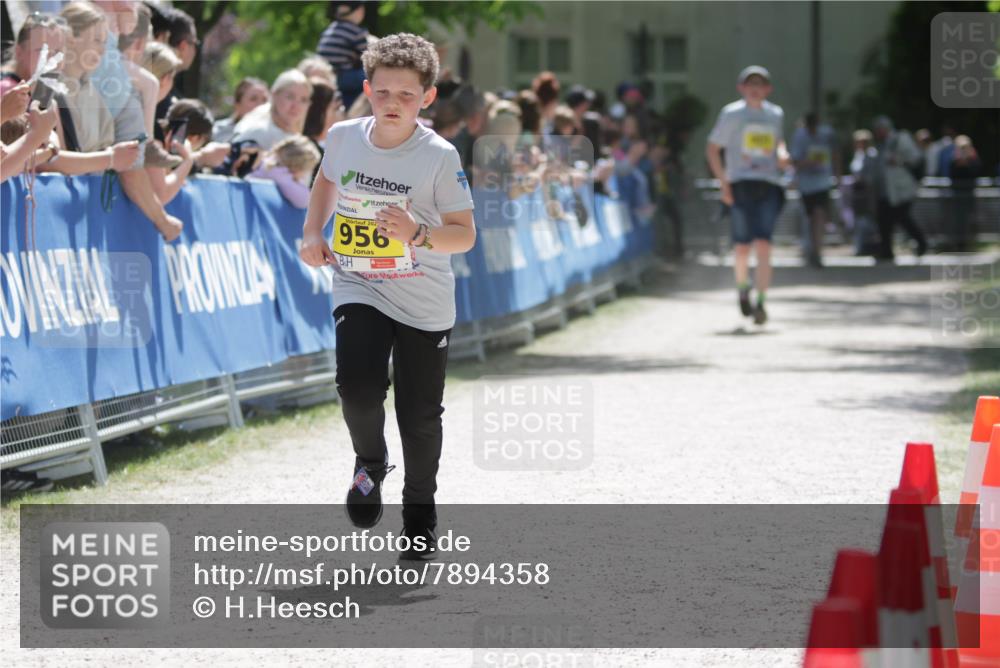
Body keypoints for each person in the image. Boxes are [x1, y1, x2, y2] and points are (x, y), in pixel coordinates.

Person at [298, 32, 475, 561]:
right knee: (357, 386)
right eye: (383, 93)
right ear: (367, 89)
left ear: (427, 98)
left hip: (423, 297)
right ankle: (369, 462)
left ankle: (420, 514)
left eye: (406, 95)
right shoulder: (344, 136)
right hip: (360, 282)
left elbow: (463, 234)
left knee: (419, 416)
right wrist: (313, 232)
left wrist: (416, 234)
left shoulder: (439, 156)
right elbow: (327, 181)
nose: (392, 104)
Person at [706, 65, 787, 324]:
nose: (755, 88)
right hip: (740, 184)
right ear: (741, 88)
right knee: (742, 247)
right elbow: (712, 148)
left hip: (768, 184)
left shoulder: (775, 114)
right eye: (750, 84)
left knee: (764, 244)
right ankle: (743, 289)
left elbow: (777, 142)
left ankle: (761, 301)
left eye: (760, 84)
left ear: (768, 89)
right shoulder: (731, 114)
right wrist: (723, 183)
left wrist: (783, 154)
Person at [871, 115, 927, 261]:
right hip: (886, 190)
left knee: (902, 217)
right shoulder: (880, 144)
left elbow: (916, 158)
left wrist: (899, 160)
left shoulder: (901, 138)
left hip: (902, 189)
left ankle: (922, 243)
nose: (876, 133)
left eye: (878, 130)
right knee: (883, 220)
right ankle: (886, 251)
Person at [790, 112, 840, 267]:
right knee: (810, 218)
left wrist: (837, 174)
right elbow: (795, 161)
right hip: (806, 184)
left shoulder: (827, 134)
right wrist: (810, 162)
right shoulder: (799, 136)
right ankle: (811, 248)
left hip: (822, 183)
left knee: (819, 215)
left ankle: (817, 251)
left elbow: (836, 153)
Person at [147, 98, 213, 205]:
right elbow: (161, 195)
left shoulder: (155, 146)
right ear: (195, 138)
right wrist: (188, 161)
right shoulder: (154, 148)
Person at [231, 69, 312, 151]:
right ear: (275, 95)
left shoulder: (299, 139)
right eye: (290, 97)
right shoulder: (257, 134)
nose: (296, 106)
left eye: (303, 100)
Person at [316, 1, 369, 110]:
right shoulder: (356, 31)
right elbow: (369, 56)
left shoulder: (330, 29)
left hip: (327, 73)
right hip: (342, 75)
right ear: (360, 11)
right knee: (373, 76)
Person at [249, 135, 321, 209]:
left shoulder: (267, 163)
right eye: (309, 169)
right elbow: (305, 200)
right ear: (297, 168)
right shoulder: (278, 174)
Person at [848, 129, 879, 256]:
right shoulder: (858, 155)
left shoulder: (872, 155)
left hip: (870, 193)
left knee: (870, 220)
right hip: (859, 193)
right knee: (860, 220)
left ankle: (871, 247)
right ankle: (860, 246)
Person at [948, 135, 981, 252]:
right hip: (957, 195)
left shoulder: (974, 159)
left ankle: (972, 243)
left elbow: (976, 173)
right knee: (957, 220)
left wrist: (967, 164)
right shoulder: (953, 159)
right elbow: (951, 175)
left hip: (969, 194)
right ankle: (959, 244)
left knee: (971, 219)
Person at [213, 77, 269, 143]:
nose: (261, 104)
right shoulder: (217, 131)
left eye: (264, 100)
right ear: (237, 105)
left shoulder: (275, 134)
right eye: (253, 99)